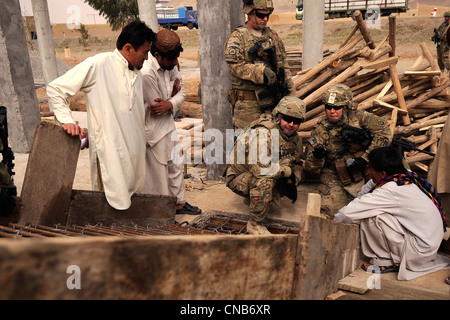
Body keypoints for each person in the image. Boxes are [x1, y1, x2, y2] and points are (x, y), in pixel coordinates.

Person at [46, 21, 156, 210]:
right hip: (111, 153)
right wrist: (67, 120)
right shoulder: (99, 64)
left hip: (135, 153)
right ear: (128, 48)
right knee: (111, 205)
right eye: (144, 52)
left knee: (133, 201)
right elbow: (55, 89)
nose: (147, 58)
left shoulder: (136, 71)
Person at [334, 147, 450, 280]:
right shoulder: (405, 176)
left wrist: (333, 221)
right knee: (370, 208)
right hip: (428, 246)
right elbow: (363, 195)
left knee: (371, 216)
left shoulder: (390, 190)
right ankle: (394, 255)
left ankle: (387, 262)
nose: (368, 171)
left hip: (418, 252)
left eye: (370, 168)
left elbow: (347, 214)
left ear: (383, 174)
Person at [304, 84, 392, 218]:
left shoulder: (360, 118)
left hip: (364, 171)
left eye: (337, 107)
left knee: (378, 210)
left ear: (346, 107)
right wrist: (317, 157)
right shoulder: (321, 129)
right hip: (335, 174)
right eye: (328, 107)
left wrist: (365, 158)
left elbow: (385, 133)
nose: (332, 111)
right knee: (334, 215)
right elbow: (311, 167)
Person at [225, 96, 305, 235]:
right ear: (278, 117)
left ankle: (258, 200)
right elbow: (259, 169)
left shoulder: (294, 138)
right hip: (239, 176)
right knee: (264, 181)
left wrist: (294, 179)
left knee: (293, 172)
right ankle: (255, 224)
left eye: (296, 121)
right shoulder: (263, 133)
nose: (291, 124)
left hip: (261, 171)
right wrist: (286, 171)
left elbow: (297, 162)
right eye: (287, 119)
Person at [141, 29, 201, 215]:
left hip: (168, 126)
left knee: (175, 166)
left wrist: (170, 102)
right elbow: (156, 106)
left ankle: (179, 204)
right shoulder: (146, 73)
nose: (176, 63)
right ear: (157, 55)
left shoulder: (171, 63)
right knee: (158, 175)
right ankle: (161, 212)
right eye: (172, 60)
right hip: (152, 131)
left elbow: (180, 93)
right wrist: (170, 99)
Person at [224, 0, 294, 129]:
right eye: (261, 15)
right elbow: (235, 66)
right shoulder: (238, 37)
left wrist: (291, 96)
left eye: (268, 15)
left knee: (273, 143)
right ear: (249, 13)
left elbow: (284, 66)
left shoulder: (273, 37)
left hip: (274, 102)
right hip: (248, 106)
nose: (265, 19)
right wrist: (261, 72)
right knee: (247, 144)